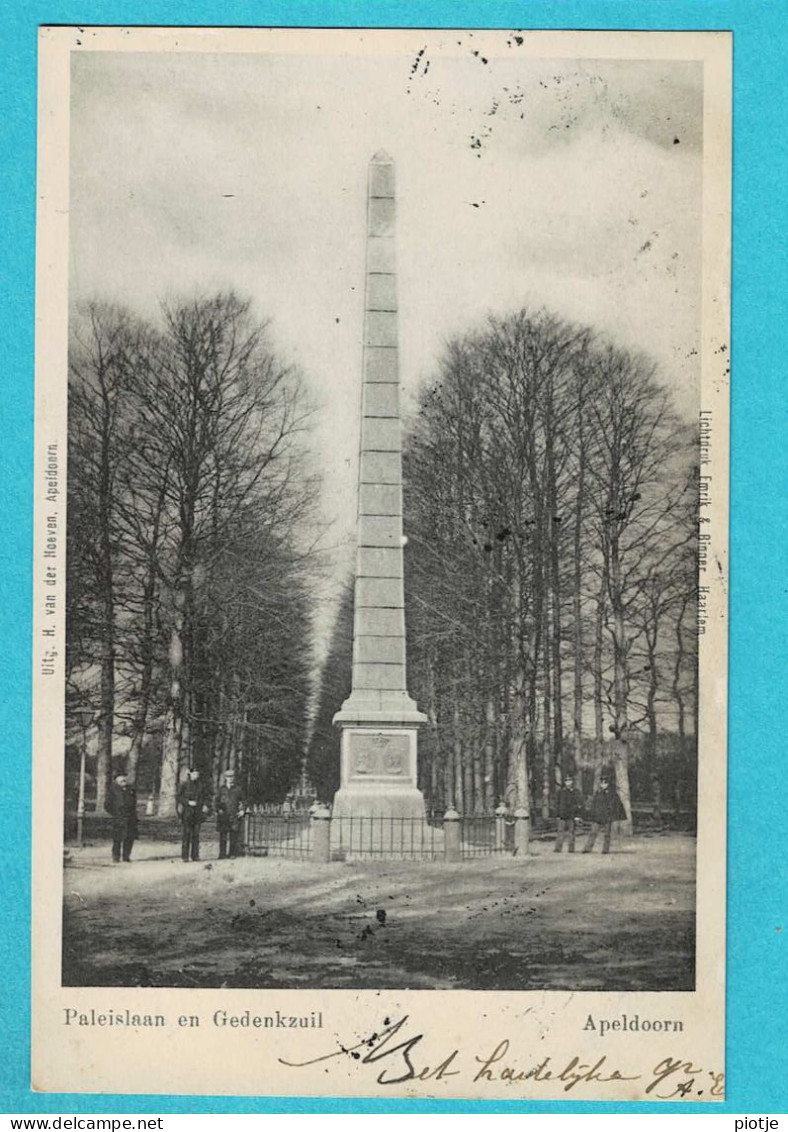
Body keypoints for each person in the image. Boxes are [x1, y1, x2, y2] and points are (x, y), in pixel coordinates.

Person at [582, 773, 627, 854]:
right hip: (598, 817)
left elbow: (617, 805)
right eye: (602, 783)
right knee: (593, 832)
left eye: (605, 783)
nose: (603, 785)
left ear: (608, 784)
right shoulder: (598, 793)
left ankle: (605, 850)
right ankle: (587, 848)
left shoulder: (613, 794)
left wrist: (613, 815)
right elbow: (594, 805)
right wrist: (592, 814)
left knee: (607, 834)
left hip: (607, 817)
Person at [177, 768, 210, 862]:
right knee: (186, 835)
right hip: (187, 813)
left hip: (197, 813)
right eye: (194, 774)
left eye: (197, 774)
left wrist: (205, 805)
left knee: (196, 835)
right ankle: (185, 856)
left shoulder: (201, 785)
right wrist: (187, 802)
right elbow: (179, 797)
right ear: (190, 774)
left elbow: (206, 797)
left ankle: (195, 856)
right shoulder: (184, 785)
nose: (196, 776)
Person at [106, 772, 138, 863]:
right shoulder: (113, 790)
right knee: (117, 838)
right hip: (118, 818)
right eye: (121, 780)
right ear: (117, 781)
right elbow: (107, 804)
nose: (124, 781)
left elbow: (134, 802)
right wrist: (115, 813)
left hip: (130, 817)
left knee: (129, 837)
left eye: (124, 780)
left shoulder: (131, 789)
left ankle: (126, 856)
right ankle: (116, 856)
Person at [215, 768, 245, 859]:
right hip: (223, 815)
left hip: (234, 815)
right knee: (223, 835)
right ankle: (222, 854)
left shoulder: (238, 789)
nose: (230, 778)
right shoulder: (221, 789)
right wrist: (217, 810)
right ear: (225, 778)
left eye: (232, 777)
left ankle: (232, 853)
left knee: (233, 835)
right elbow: (216, 801)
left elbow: (244, 800)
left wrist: (242, 810)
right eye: (228, 777)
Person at [554, 774, 583, 853]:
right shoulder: (560, 792)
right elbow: (557, 804)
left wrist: (577, 815)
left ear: (572, 782)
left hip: (572, 815)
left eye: (570, 780)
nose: (568, 782)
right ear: (564, 782)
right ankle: (558, 848)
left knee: (571, 832)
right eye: (567, 781)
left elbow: (579, 804)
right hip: (562, 815)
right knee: (560, 832)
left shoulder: (576, 792)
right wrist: (557, 815)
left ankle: (571, 849)